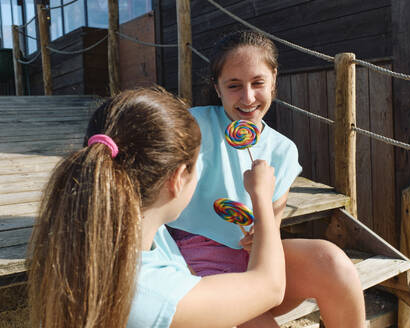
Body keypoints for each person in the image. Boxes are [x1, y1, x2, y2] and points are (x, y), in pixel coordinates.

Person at [28, 87, 286, 328]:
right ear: (177, 180)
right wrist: (262, 196)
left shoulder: (105, 233)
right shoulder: (153, 296)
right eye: (198, 165)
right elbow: (271, 287)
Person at [167, 30, 366, 327]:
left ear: (273, 80)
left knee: (333, 262)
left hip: (251, 263)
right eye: (234, 86)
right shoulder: (191, 125)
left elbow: (270, 231)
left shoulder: (283, 150)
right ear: (217, 88)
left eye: (257, 83)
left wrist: (260, 235)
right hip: (192, 264)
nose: (247, 98)